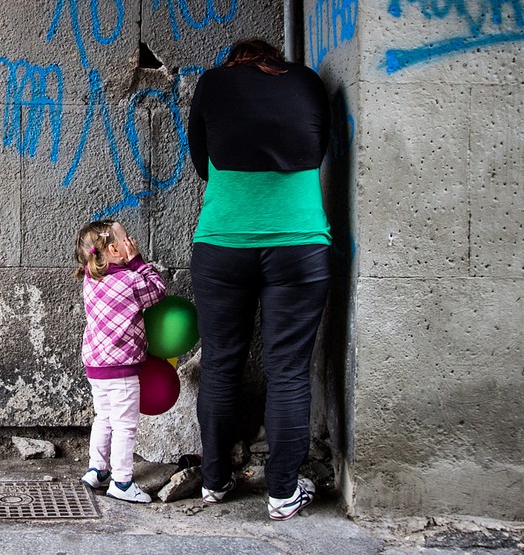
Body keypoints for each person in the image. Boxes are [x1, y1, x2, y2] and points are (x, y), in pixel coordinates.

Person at [187, 38, 331, 521]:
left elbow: (200, 161)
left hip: (224, 241)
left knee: (222, 365)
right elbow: (321, 147)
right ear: (274, 60)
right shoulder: (309, 82)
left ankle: (215, 482)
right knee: (287, 369)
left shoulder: (213, 83)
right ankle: (283, 493)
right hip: (300, 241)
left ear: (234, 62)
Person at [73, 219, 167, 504]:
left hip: (96, 366)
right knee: (125, 424)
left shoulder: (91, 278)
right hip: (121, 367)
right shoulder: (130, 281)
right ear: (115, 249)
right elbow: (158, 289)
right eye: (128, 239)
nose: (132, 242)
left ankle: (97, 469)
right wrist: (137, 261)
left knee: (104, 417)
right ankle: (123, 482)